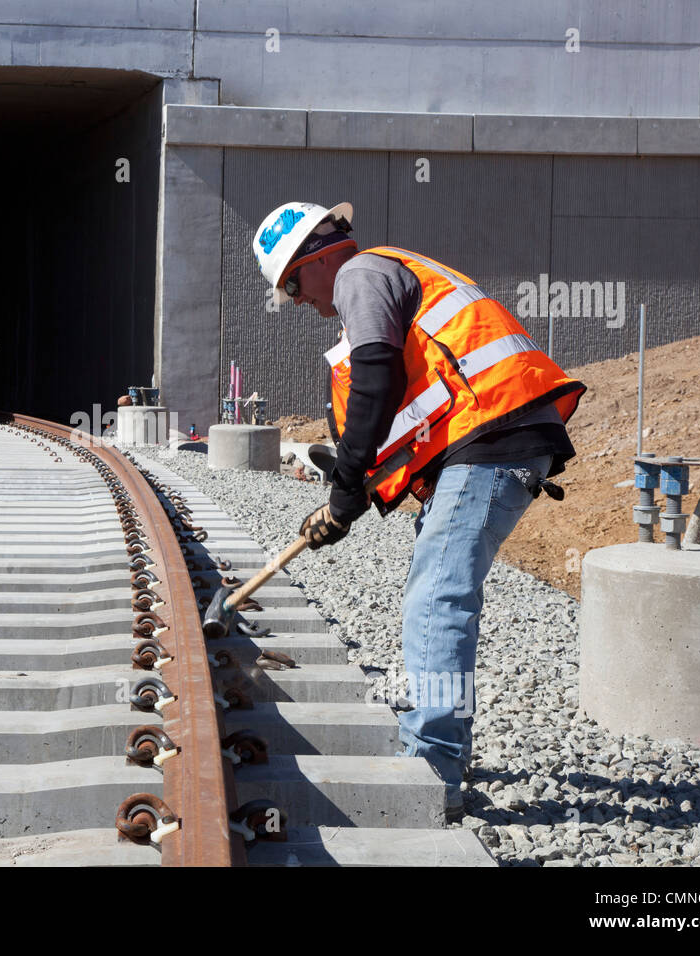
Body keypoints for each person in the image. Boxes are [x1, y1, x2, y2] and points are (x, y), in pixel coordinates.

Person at [251, 200, 586, 821]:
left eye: (292, 284)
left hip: (492, 438)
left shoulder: (360, 275)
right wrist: (349, 497)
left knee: (438, 598)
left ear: (315, 258)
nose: (298, 301)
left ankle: (432, 767)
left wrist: (350, 471)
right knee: (435, 594)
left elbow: (376, 374)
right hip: (483, 438)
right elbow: (411, 409)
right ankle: (439, 747)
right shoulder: (388, 278)